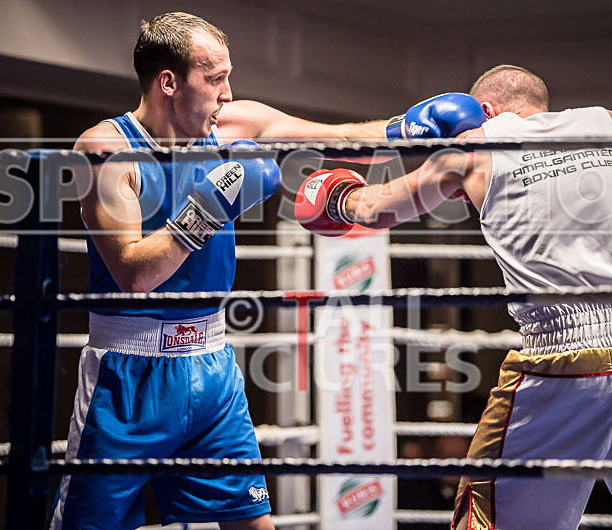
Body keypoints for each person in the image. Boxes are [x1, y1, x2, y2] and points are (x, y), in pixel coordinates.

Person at [295, 65, 612, 529]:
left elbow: (374, 209)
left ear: (482, 111)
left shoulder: (473, 148)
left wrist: (330, 193)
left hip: (563, 359)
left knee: (492, 519)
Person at [50, 11, 414, 530]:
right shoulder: (106, 150)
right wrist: (208, 207)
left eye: (228, 76)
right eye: (214, 78)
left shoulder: (234, 125)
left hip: (212, 367)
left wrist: (412, 128)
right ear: (169, 82)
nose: (227, 92)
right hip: (126, 377)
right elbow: (133, 273)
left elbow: (335, 138)